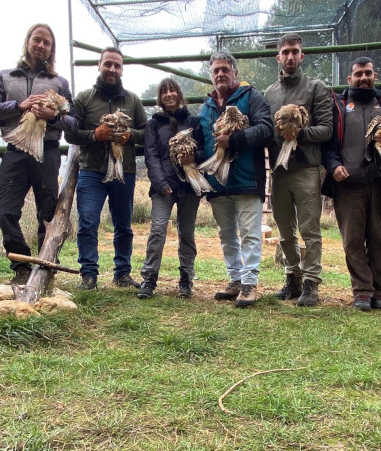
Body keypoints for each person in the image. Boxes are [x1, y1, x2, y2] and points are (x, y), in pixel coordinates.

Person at [0, 23, 79, 285]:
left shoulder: (59, 82)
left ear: (51, 49)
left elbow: (74, 124)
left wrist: (54, 117)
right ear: (27, 42)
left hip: (47, 152)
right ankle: (22, 265)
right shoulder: (4, 77)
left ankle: (45, 267)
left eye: (47, 43)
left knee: (47, 213)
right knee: (5, 211)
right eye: (37, 40)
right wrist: (18, 106)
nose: (41, 46)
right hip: (15, 151)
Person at [321, 57, 381, 311]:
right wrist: (334, 166)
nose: (363, 78)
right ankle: (362, 290)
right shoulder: (339, 104)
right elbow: (327, 144)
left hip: (379, 181)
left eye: (368, 73)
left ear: (375, 76)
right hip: (348, 183)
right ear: (350, 79)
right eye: (358, 74)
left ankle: (379, 291)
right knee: (353, 240)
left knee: (377, 238)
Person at [65, 47, 147, 291]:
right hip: (92, 170)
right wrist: (95, 135)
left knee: (124, 225)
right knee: (88, 222)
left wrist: (130, 135)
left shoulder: (132, 100)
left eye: (117, 65)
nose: (112, 69)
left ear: (122, 70)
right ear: (99, 66)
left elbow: (147, 132)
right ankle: (88, 274)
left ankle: (122, 273)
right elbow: (71, 134)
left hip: (125, 170)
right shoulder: (84, 98)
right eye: (108, 64)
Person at [198, 52, 273, 308]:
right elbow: (202, 142)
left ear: (235, 73)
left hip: (246, 178)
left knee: (250, 234)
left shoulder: (251, 97)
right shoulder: (206, 107)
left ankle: (250, 284)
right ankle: (235, 279)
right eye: (216, 70)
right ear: (211, 74)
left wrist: (235, 140)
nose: (220, 74)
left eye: (224, 70)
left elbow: (266, 129)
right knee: (226, 234)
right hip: (217, 183)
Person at [265, 33, 333, 307]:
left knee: (309, 228)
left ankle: (311, 282)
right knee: (284, 229)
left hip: (306, 168)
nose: (290, 56)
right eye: (286, 52)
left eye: (295, 51)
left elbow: (327, 130)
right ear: (278, 56)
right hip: (279, 170)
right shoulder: (269, 93)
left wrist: (298, 132)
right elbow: (267, 131)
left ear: (301, 56)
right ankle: (292, 277)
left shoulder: (316, 88)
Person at [137, 79, 202, 299]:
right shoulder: (153, 124)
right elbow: (151, 155)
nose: (169, 94)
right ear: (160, 97)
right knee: (157, 231)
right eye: (164, 91)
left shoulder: (193, 121)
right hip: (163, 187)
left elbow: (202, 150)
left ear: (179, 93)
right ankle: (149, 279)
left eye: (172, 89)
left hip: (189, 186)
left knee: (187, 234)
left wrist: (194, 159)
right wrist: (160, 184)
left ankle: (186, 280)